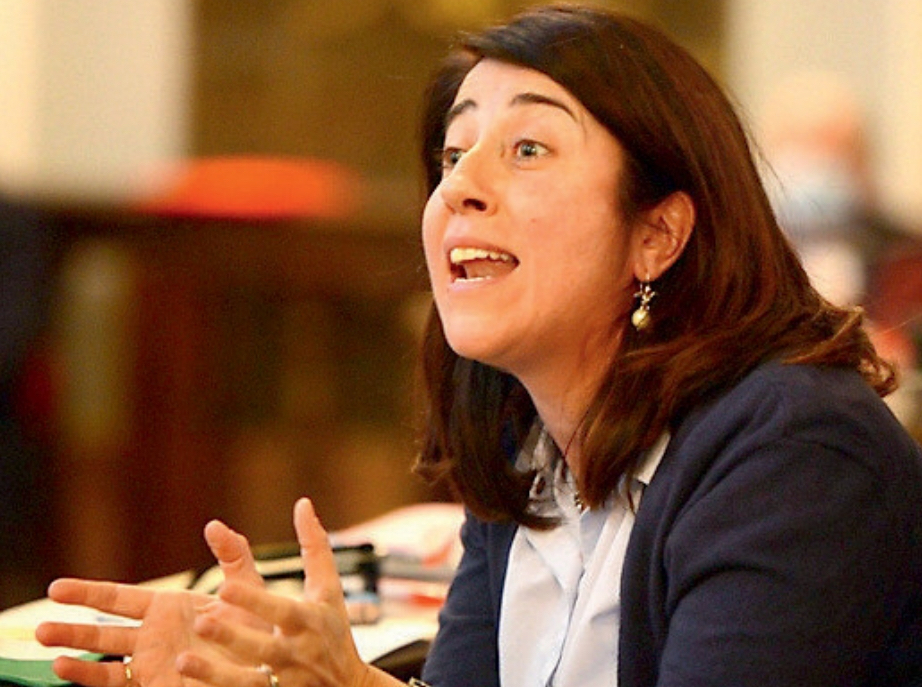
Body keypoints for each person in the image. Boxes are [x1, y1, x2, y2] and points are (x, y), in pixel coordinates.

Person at [35, 5, 922, 687]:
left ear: (658, 233)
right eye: (453, 153)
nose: (461, 186)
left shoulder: (798, 452)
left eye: (527, 147)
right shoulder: (523, 437)